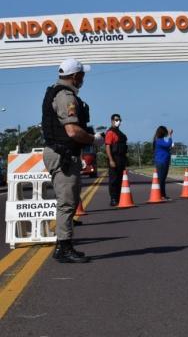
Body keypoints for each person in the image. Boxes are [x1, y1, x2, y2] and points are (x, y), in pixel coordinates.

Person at [42, 58, 104, 263]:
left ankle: (64, 245)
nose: (83, 78)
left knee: (68, 201)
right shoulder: (65, 96)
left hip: (61, 153)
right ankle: (64, 247)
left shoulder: (56, 91)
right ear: (75, 76)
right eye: (82, 75)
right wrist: (93, 140)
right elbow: (72, 130)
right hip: (63, 155)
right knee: (67, 203)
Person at [105, 114, 128, 206]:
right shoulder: (110, 132)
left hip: (122, 158)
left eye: (119, 120)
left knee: (120, 179)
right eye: (116, 120)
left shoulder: (120, 133)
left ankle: (119, 197)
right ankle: (113, 199)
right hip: (114, 158)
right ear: (112, 121)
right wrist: (111, 160)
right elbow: (107, 147)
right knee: (114, 180)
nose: (118, 121)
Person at [153, 126, 173, 200]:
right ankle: (161, 195)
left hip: (164, 161)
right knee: (161, 179)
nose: (166, 133)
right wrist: (170, 135)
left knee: (162, 179)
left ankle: (162, 195)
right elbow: (168, 144)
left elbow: (167, 147)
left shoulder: (160, 140)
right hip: (162, 161)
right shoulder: (159, 140)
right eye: (165, 132)